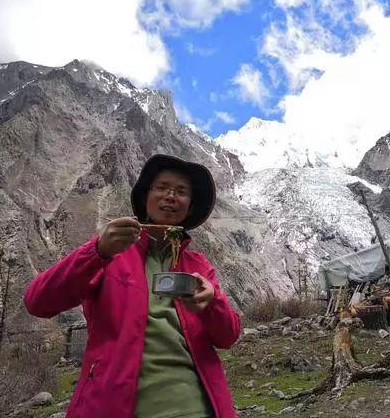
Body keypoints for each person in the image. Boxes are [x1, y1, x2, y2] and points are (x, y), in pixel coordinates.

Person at [24, 154, 241, 418]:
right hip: (113, 404)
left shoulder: (198, 265)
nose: (171, 196)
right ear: (145, 196)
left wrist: (212, 303)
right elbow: (38, 302)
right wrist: (96, 252)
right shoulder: (109, 252)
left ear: (190, 204)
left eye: (182, 191)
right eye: (162, 187)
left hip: (196, 406)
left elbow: (228, 336)